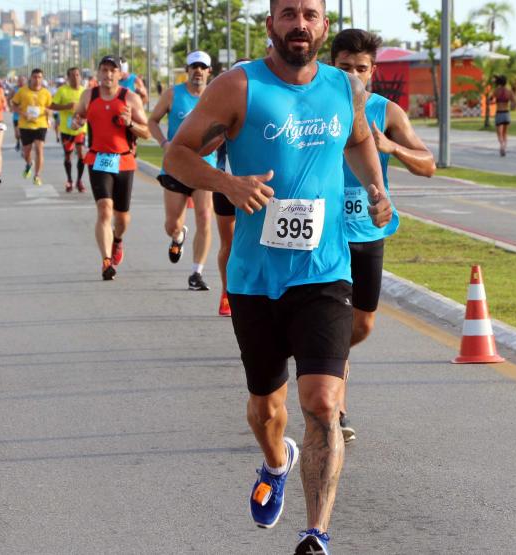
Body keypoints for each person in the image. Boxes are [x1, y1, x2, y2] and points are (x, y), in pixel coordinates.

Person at [163, 1, 393, 552]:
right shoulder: (236, 87)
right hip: (255, 277)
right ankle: (275, 461)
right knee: (267, 409)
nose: (300, 24)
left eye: (310, 14)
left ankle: (316, 533)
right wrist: (230, 185)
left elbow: (360, 139)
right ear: (270, 24)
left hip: (325, 268)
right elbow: (176, 155)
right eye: (287, 13)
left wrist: (376, 188)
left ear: (323, 26)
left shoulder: (343, 87)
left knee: (321, 401)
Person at [331, 29, 435, 444]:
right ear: (330, 66)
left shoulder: (386, 111)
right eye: (344, 68)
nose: (353, 76)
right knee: (332, 315)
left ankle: (334, 359)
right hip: (323, 230)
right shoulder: (315, 105)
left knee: (363, 324)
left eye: (360, 69)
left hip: (369, 226)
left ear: (372, 71)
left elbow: (428, 164)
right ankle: (334, 404)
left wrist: (392, 146)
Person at [71, 55, 150, 280]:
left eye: (112, 70)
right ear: (98, 73)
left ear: (119, 74)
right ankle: (106, 261)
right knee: (105, 208)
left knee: (122, 217)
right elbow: (77, 118)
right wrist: (76, 123)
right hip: (98, 159)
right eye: (104, 70)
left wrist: (130, 123)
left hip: (123, 159)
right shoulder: (89, 95)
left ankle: (117, 240)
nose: (107, 75)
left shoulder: (130, 98)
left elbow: (146, 132)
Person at [147, 51, 216, 292]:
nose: (198, 71)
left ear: (209, 71)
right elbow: (152, 120)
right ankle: (178, 237)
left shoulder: (216, 96)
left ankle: (196, 273)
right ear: (187, 70)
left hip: (205, 165)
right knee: (171, 224)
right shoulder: (173, 94)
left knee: (205, 217)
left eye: (202, 67)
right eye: (193, 67)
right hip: (176, 166)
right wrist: (164, 144)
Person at [213, 59, 253, 317]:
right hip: (226, 184)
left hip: (258, 187)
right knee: (228, 243)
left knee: (257, 242)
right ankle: (227, 290)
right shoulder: (224, 109)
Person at [11, 68, 53, 186]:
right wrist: (23, 113)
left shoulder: (46, 93)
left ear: (42, 79)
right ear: (31, 78)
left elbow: (50, 107)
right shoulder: (22, 91)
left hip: (41, 125)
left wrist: (48, 116)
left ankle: (37, 175)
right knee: (27, 151)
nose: (37, 80)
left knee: (39, 149)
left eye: (39, 77)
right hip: (25, 125)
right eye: (35, 77)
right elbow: (13, 105)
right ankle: (29, 164)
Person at [51, 67, 89, 193]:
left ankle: (79, 181)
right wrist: (67, 106)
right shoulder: (62, 91)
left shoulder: (85, 92)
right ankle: (69, 180)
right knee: (68, 156)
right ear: (68, 77)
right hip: (66, 130)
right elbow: (52, 105)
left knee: (82, 155)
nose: (76, 77)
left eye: (78, 75)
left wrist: (84, 117)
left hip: (80, 129)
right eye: (73, 75)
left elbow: (90, 108)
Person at [488, 74, 516, 157]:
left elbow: (489, 100)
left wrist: (493, 102)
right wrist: (512, 106)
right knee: (505, 133)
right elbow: (515, 101)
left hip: (499, 113)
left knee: (499, 134)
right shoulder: (509, 91)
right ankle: (504, 147)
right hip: (506, 113)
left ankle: (501, 146)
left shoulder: (496, 91)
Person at [9, 75, 27, 152]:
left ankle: (24, 144)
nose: (21, 82)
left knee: (25, 131)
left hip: (25, 114)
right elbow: (8, 98)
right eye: (19, 80)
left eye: (22, 80)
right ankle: (18, 141)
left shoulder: (28, 89)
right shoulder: (14, 89)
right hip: (16, 114)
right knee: (17, 133)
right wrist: (10, 107)